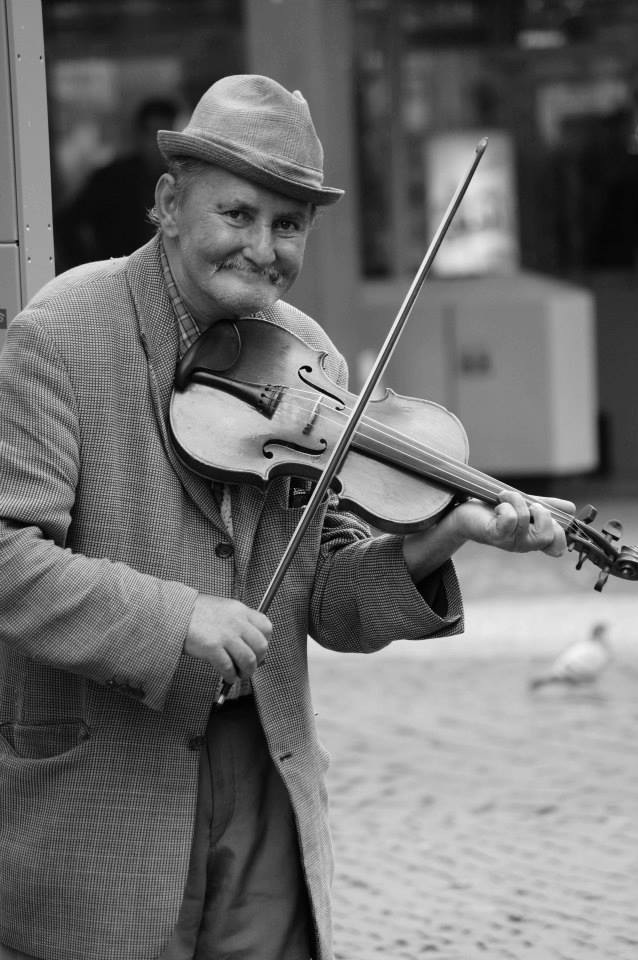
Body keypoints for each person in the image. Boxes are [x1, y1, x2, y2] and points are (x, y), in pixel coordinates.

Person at [0, 75, 573, 960]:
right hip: (106, 792)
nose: (263, 249)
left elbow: (330, 602)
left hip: (265, 770)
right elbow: (8, 555)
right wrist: (176, 617)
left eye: (289, 225)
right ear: (167, 204)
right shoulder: (60, 336)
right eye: (237, 214)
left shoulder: (306, 355)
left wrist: (449, 531)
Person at [56, 96, 180, 269]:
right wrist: (88, 265)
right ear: (139, 135)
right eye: (154, 135)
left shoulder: (181, 178)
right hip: (119, 271)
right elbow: (67, 222)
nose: (160, 146)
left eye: (169, 137)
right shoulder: (112, 178)